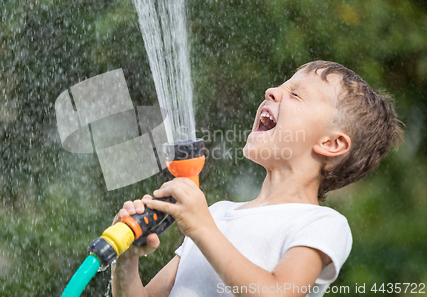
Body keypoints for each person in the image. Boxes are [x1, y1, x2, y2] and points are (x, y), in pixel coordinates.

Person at [110, 61, 403, 297]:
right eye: (282, 86)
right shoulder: (217, 214)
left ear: (331, 144)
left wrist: (201, 227)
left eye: (296, 94)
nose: (271, 91)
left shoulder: (321, 224)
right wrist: (126, 257)